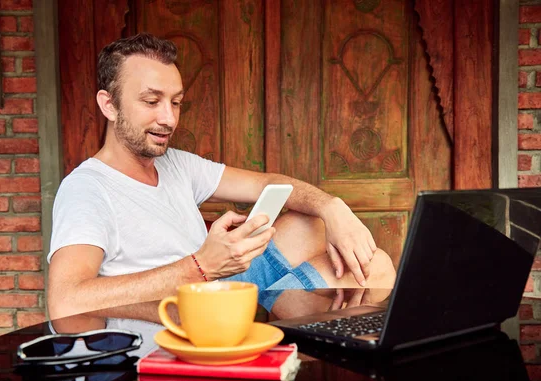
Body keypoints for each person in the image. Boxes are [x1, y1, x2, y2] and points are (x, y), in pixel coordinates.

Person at [47, 33, 395, 319]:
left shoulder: (176, 164)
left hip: (222, 285)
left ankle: (281, 307)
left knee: (353, 248)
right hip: (189, 313)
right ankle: (292, 318)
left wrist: (333, 208)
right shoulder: (87, 189)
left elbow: (267, 184)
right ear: (109, 104)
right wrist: (200, 265)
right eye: (152, 101)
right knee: (370, 276)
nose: (168, 119)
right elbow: (65, 300)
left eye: (176, 102)